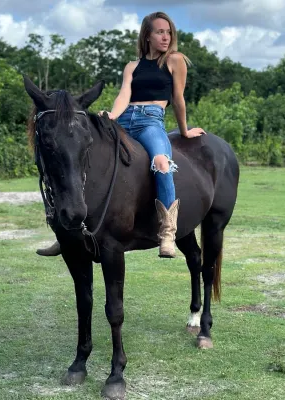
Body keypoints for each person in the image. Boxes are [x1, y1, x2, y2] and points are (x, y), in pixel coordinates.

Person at [37, 11, 205, 258]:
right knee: (86, 156)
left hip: (150, 122)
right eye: (160, 31)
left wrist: (184, 130)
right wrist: (114, 115)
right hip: (126, 119)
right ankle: (69, 232)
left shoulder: (174, 60)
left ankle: (167, 231)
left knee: (162, 163)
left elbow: (178, 100)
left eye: (169, 32)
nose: (166, 37)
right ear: (147, 35)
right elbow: (124, 94)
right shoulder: (132, 66)